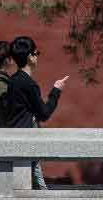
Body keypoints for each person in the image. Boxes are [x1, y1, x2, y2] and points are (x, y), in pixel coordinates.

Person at [4, 35, 69, 190]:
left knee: (23, 182)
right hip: (27, 135)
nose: (37, 57)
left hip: (13, 133)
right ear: (30, 57)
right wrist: (56, 90)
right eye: (36, 53)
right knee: (36, 179)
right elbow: (44, 114)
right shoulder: (29, 84)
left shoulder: (13, 80)